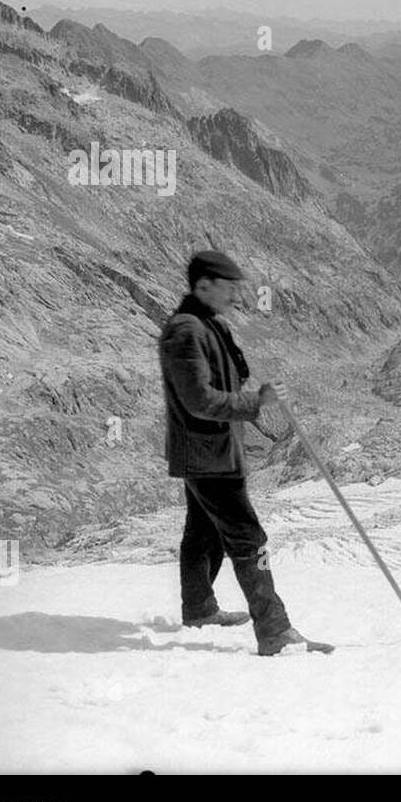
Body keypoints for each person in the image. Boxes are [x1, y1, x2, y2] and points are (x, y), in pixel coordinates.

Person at [158, 249, 332, 656]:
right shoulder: (187, 331)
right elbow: (198, 400)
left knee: (204, 531)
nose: (238, 295)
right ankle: (274, 632)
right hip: (208, 455)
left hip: (211, 451)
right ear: (204, 286)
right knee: (248, 537)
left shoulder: (203, 324)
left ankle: (199, 609)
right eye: (230, 287)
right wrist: (256, 402)